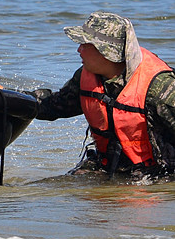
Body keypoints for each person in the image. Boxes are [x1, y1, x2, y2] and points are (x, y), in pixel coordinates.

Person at [33, 12, 175, 179]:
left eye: (85, 44)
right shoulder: (86, 76)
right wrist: (4, 97)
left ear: (107, 52)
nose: (79, 49)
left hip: (158, 172)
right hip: (108, 164)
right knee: (61, 185)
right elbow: (52, 106)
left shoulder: (161, 89)